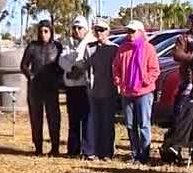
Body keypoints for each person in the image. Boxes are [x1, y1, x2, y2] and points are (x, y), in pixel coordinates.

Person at [163, 12, 193, 163]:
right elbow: (177, 54)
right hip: (187, 82)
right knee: (180, 113)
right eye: (192, 19)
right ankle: (174, 147)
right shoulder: (183, 37)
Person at [113, 20, 160, 164]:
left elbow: (155, 70)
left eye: (133, 31)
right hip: (127, 93)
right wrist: (119, 82)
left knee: (144, 124)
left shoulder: (148, 48)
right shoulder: (123, 48)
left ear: (140, 32)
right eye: (128, 31)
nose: (130, 34)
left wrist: (144, 80)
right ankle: (135, 153)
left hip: (144, 93)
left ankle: (144, 155)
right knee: (130, 125)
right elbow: (116, 68)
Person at [20, 20, 64, 157]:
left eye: (46, 31)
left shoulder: (57, 47)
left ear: (51, 32)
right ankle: (38, 147)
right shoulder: (32, 47)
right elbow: (24, 65)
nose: (43, 34)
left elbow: (61, 66)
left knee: (54, 118)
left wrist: (58, 79)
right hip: (35, 89)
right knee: (36, 118)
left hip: (51, 88)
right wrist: (31, 76)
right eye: (41, 31)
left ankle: (55, 148)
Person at [83, 19, 119, 160]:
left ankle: (107, 153)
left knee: (108, 122)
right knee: (94, 122)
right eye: (97, 29)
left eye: (102, 30)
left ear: (108, 31)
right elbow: (85, 67)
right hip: (93, 91)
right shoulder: (89, 47)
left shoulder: (114, 48)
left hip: (109, 90)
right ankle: (93, 152)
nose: (99, 32)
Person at [58, 16, 92, 158]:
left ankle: (86, 149)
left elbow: (86, 60)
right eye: (74, 28)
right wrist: (72, 69)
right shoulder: (67, 42)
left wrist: (79, 69)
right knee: (73, 119)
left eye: (80, 28)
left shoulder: (90, 42)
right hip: (71, 86)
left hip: (84, 86)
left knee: (86, 119)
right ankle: (73, 149)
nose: (77, 30)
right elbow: (61, 60)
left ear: (86, 29)